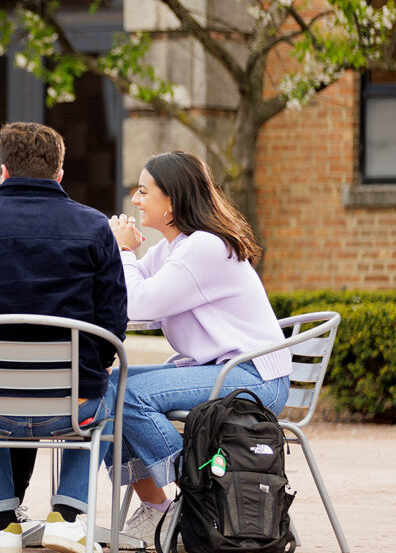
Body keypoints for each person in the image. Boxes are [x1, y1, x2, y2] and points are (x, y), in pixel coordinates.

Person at [0, 122, 127, 553]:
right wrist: (91, 375)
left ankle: (0, 525)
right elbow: (113, 328)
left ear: (3, 171)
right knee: (107, 389)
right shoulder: (96, 228)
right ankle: (69, 517)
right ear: (59, 172)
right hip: (72, 408)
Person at [106, 151, 292, 545]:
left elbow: (138, 303)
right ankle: (158, 507)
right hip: (223, 370)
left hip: (254, 378)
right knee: (108, 388)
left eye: (143, 191)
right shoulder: (173, 248)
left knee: (132, 395)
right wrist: (130, 259)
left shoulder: (204, 247)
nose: (135, 201)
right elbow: (139, 303)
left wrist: (122, 252)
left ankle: (199, 494)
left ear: (171, 201)